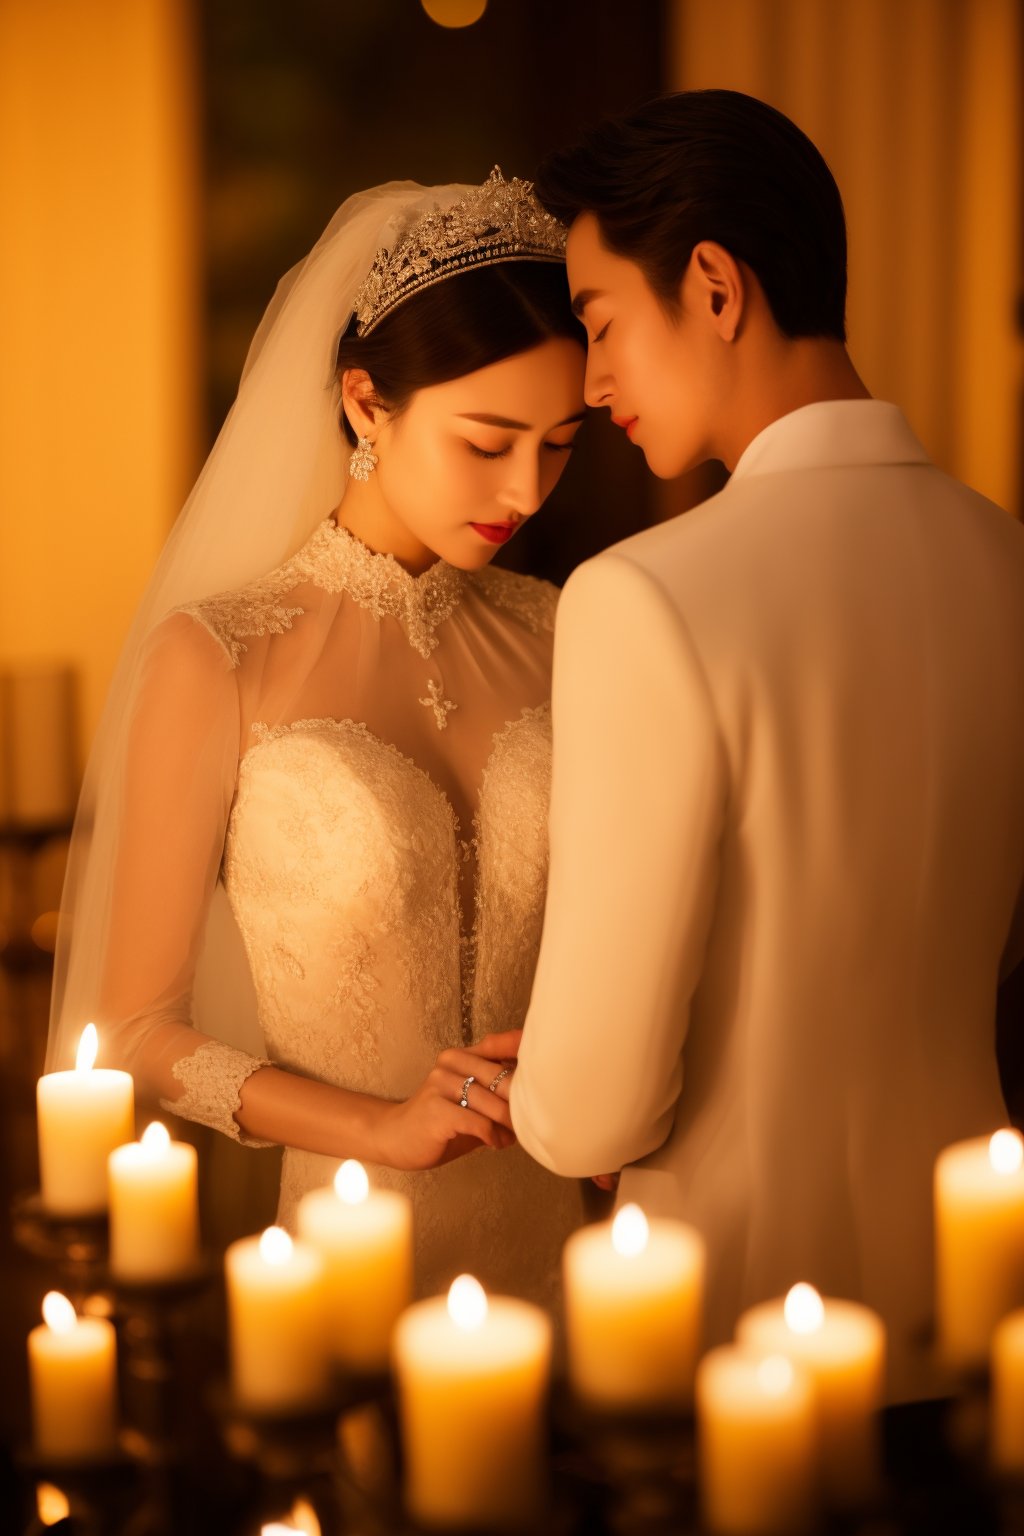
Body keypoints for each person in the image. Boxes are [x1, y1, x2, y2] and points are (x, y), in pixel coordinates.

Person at [505, 90, 1024, 1394]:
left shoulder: (645, 595)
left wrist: (552, 1082)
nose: (594, 378)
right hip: (981, 1314)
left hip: (730, 1331)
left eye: (601, 321)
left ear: (717, 286)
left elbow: (592, 1111)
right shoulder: (1009, 563)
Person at [48, 170, 587, 1302]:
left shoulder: (562, 631)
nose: (527, 489)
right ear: (362, 402)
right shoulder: (220, 657)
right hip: (346, 1250)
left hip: (573, 1233)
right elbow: (137, 1026)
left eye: (560, 443)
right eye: (487, 440)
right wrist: (380, 1129)